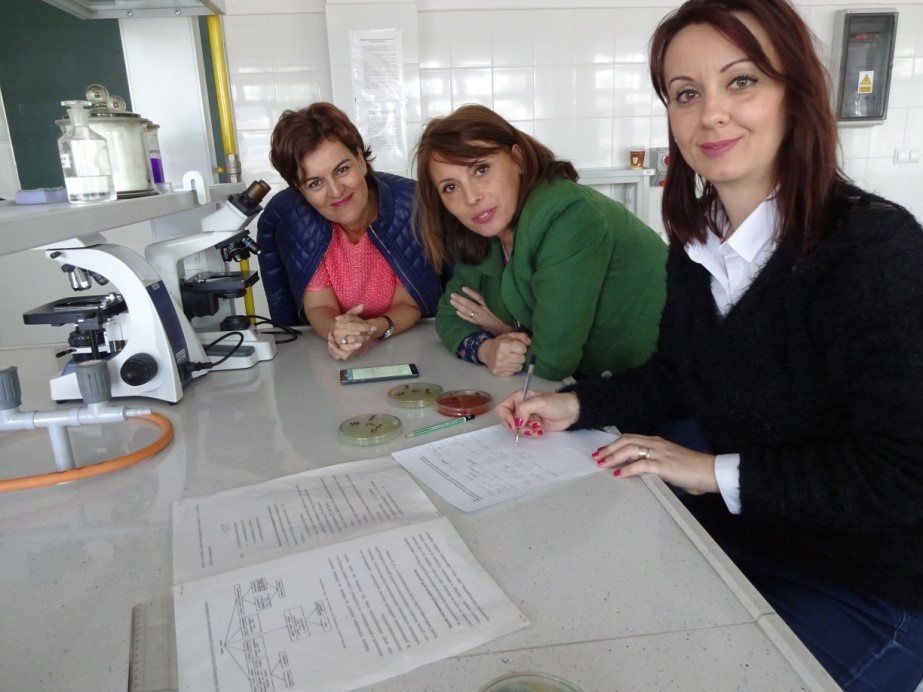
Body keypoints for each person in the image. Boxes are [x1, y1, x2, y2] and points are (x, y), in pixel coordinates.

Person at [496, 1, 923, 689]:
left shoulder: (873, 250)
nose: (711, 114)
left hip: (867, 588)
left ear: (795, 94)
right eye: (686, 94)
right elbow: (677, 374)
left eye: (741, 81)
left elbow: (903, 477)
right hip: (737, 545)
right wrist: (573, 406)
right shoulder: (698, 243)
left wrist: (711, 470)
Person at [413, 104, 668, 382]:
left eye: (481, 169)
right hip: (605, 383)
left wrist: (505, 332)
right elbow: (448, 315)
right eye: (450, 187)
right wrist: (486, 349)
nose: (471, 197)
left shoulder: (566, 215)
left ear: (518, 159)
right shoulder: (487, 233)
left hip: (669, 380)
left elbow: (552, 361)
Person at [256, 102, 442, 360]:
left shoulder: (411, 207)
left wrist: (372, 329)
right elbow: (319, 307)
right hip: (333, 354)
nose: (335, 191)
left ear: (361, 161)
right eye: (315, 183)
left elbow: (409, 303)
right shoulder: (301, 223)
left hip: (413, 346)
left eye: (342, 170)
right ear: (300, 191)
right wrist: (340, 333)